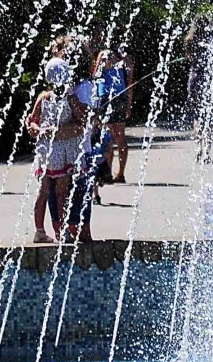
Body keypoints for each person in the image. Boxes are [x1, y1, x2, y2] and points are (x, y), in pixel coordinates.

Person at [24, 57, 87, 244]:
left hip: (61, 151)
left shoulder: (69, 98)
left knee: (57, 191)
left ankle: (56, 230)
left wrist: (56, 130)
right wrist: (39, 129)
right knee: (49, 191)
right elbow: (32, 121)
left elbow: (82, 122)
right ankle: (46, 230)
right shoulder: (45, 98)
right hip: (50, 151)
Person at [96, 49, 133, 184]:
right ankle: (119, 173)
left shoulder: (103, 55)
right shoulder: (124, 58)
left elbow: (95, 76)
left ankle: (109, 173)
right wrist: (128, 104)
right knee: (119, 137)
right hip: (120, 97)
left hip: (106, 98)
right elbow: (129, 83)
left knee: (108, 137)